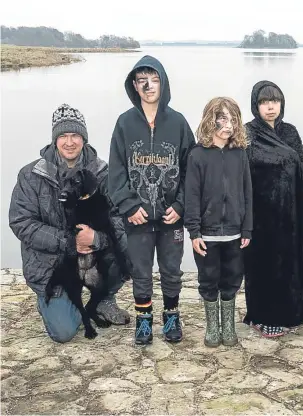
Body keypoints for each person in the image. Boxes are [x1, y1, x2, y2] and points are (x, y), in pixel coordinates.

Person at [9, 103, 130, 343]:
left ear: (84, 138)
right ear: (54, 140)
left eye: (75, 135)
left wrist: (97, 238)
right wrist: (68, 241)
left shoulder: (104, 173)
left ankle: (104, 299)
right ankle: (55, 301)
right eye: (63, 136)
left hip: (95, 257)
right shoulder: (30, 175)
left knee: (136, 245)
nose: (69, 142)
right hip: (54, 263)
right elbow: (21, 222)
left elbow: (121, 218)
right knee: (64, 332)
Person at [108, 56, 195, 345]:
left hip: (171, 218)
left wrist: (181, 206)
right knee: (141, 271)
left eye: (154, 79)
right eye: (142, 80)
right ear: (135, 85)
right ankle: (144, 321)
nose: (148, 86)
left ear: (163, 83)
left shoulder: (179, 123)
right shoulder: (124, 124)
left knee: (172, 271)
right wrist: (129, 206)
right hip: (138, 219)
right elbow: (116, 172)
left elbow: (191, 171)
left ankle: (171, 316)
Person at [243, 80, 303, 337]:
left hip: (289, 212)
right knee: (261, 266)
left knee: (289, 266)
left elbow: (302, 167)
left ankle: (291, 313)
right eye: (264, 102)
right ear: (255, 105)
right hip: (260, 214)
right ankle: (262, 316)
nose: (270, 107)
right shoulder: (247, 133)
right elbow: (242, 171)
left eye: (275, 101)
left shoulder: (290, 132)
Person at [185, 97, 252, 347]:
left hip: (235, 234)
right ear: (209, 120)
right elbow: (191, 196)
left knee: (232, 280)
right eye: (222, 118)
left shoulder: (240, 155)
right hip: (207, 235)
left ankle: (229, 327)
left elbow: (247, 193)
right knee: (208, 279)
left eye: (232, 119)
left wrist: (247, 228)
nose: (228, 125)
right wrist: (194, 233)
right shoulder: (197, 156)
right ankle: (213, 327)